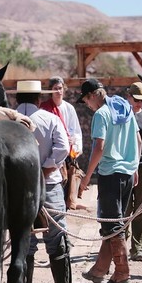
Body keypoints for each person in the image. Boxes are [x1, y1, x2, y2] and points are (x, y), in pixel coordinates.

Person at [11, 80, 72, 283]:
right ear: (38, 99)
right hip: (49, 185)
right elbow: (63, 147)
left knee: (23, 244)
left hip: (17, 188)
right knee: (58, 238)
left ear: (17, 99)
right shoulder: (50, 119)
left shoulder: (7, 121)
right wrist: (46, 167)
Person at [77, 78, 140, 283]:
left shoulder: (102, 114)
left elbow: (99, 147)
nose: (87, 104)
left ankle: (122, 274)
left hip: (110, 174)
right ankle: (99, 270)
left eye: (86, 99)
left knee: (112, 223)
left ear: (94, 94)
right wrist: (135, 168)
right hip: (128, 173)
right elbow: (139, 141)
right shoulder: (126, 110)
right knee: (115, 222)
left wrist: (86, 177)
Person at [40, 76, 86, 210]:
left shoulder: (69, 108)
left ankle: (69, 204)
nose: (58, 91)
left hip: (67, 151)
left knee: (70, 179)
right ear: (50, 91)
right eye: (55, 89)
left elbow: (76, 130)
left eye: (60, 88)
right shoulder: (44, 108)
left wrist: (74, 141)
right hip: (52, 151)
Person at [124, 81, 142, 261]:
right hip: (125, 167)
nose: (139, 103)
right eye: (136, 99)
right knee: (125, 209)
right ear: (129, 97)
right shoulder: (122, 116)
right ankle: (120, 245)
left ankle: (138, 247)